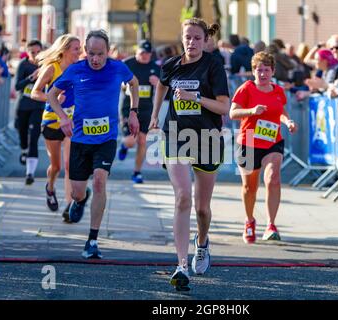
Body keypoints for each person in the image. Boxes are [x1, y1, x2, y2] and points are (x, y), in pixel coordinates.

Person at [149, 18, 229, 291]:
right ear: (181, 37)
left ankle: (203, 242)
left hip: (206, 139)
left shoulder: (213, 65)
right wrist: (154, 115)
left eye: (197, 38)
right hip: (175, 137)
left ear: (205, 40)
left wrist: (195, 99)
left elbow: (223, 108)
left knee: (201, 208)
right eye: (187, 37)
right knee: (182, 196)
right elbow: (161, 84)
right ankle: (182, 265)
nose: (192, 42)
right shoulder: (170, 65)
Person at [47, 30, 139, 259]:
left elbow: (134, 83)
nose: (96, 59)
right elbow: (51, 95)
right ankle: (81, 198)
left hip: (106, 139)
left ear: (108, 52)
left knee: (100, 181)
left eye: (100, 54)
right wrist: (63, 117)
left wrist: (134, 111)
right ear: (86, 52)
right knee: (77, 193)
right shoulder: (76, 70)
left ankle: (92, 240)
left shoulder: (118, 67)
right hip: (79, 139)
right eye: (91, 54)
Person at [229, 51, 297, 244]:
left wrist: (288, 121)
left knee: (273, 178)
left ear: (273, 71)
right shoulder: (246, 89)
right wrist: (251, 111)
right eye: (259, 70)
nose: (263, 74)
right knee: (249, 187)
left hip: (272, 142)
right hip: (248, 141)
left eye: (267, 70)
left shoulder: (278, 91)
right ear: (253, 71)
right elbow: (232, 112)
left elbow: (281, 111)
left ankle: (271, 225)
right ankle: (249, 221)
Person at [31, 34, 81, 219]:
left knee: (69, 165)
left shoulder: (77, 69)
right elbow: (35, 93)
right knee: (56, 167)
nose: (80, 52)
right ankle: (50, 187)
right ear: (65, 49)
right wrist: (52, 98)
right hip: (52, 121)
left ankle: (69, 205)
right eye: (76, 49)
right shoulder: (52, 68)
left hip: (71, 122)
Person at [118, 39, 160, 184]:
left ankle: (137, 172)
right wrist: (124, 85)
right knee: (131, 141)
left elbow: (165, 89)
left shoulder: (155, 67)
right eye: (142, 53)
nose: (145, 56)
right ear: (137, 51)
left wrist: (158, 83)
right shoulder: (127, 64)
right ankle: (124, 146)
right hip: (128, 108)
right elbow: (118, 83)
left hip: (146, 108)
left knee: (142, 140)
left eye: (148, 53)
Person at [14, 39, 44, 184]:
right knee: (23, 136)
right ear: (28, 52)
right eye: (33, 52)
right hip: (23, 106)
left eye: (39, 52)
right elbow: (17, 86)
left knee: (34, 138)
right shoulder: (23, 65)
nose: (36, 55)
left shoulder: (45, 65)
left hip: (38, 107)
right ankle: (23, 149)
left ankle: (29, 174)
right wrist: (31, 78)